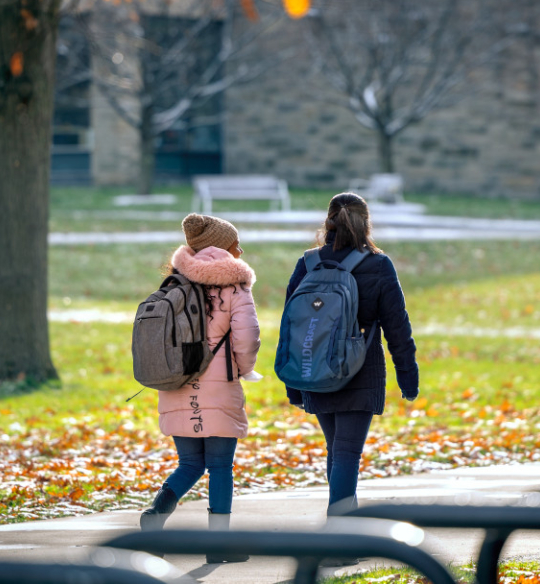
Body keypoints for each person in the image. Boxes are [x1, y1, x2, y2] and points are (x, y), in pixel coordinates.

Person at [282, 192, 419, 517]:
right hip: (360, 369)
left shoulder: (309, 262)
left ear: (328, 221)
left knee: (337, 452)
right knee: (345, 454)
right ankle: (339, 535)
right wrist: (408, 378)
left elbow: (292, 326)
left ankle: (345, 530)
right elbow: (397, 327)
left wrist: (295, 386)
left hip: (314, 369)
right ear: (365, 223)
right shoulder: (378, 264)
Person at [141, 213, 260, 564]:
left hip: (177, 385)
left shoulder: (174, 284)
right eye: (235, 242)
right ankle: (218, 546)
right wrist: (245, 370)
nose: (240, 249)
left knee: (191, 463)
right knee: (221, 466)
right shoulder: (234, 286)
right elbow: (248, 337)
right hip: (219, 384)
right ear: (223, 247)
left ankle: (156, 516)